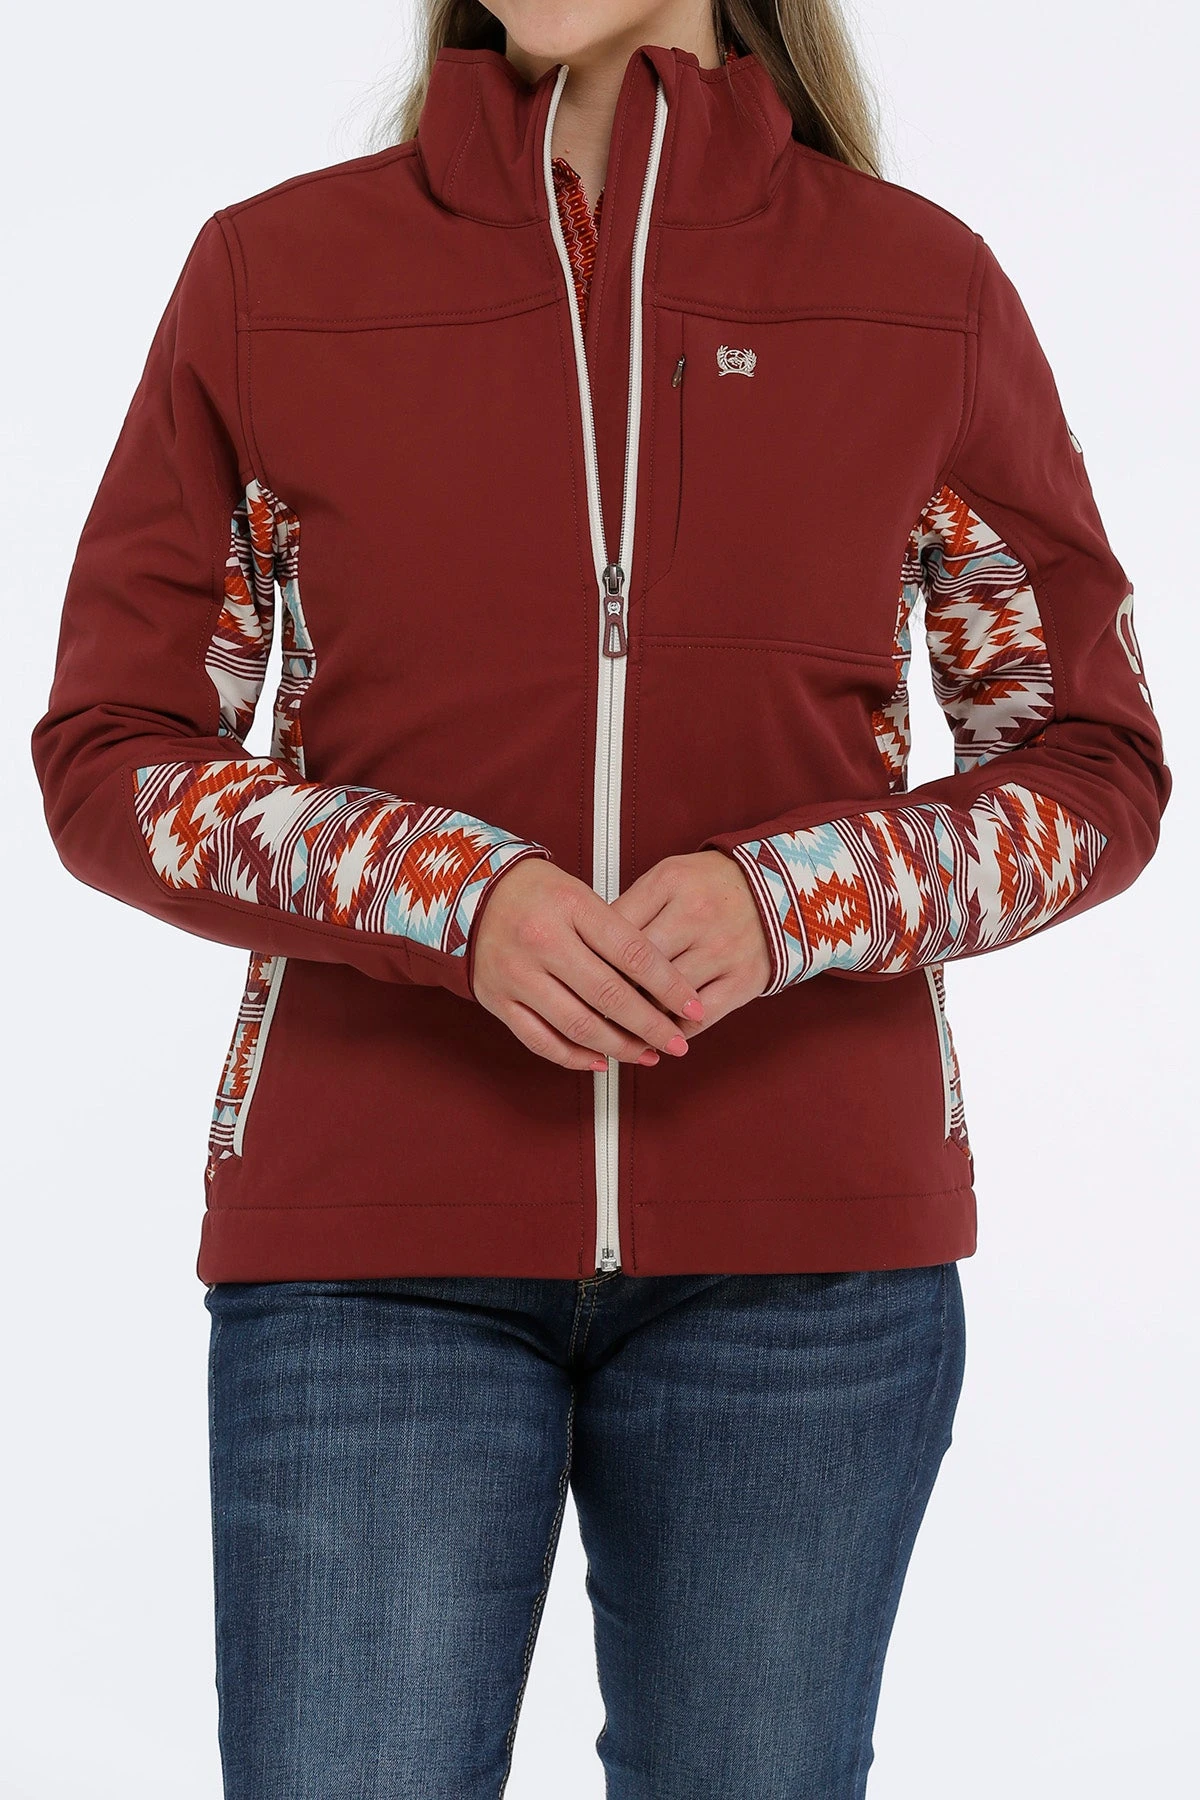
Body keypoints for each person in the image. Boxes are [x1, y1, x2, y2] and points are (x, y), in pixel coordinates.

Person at [29, 1, 1170, 1794]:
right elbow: (117, 753)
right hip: (372, 1252)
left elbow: (1087, 762)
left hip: (804, 1264)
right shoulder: (277, 276)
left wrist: (798, 895)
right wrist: (446, 894)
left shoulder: (916, 287)